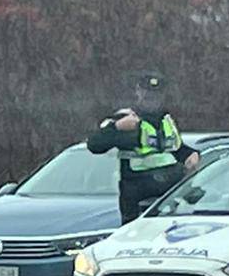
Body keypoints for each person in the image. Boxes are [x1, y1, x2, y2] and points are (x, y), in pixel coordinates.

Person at [86, 73, 201, 225]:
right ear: (138, 92)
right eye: (147, 94)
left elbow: (175, 149)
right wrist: (117, 127)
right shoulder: (126, 118)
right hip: (137, 197)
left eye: (156, 94)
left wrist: (191, 154)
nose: (152, 98)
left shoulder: (166, 120)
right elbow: (94, 144)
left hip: (169, 195)